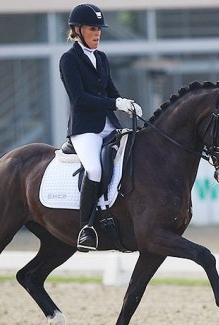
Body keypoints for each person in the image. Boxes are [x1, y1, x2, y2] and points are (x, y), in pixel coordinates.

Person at [60, 3, 143, 252]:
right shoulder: (69, 60)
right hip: (85, 129)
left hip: (110, 125)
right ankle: (86, 227)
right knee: (94, 169)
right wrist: (114, 102)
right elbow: (79, 98)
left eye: (99, 29)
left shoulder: (102, 58)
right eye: (92, 28)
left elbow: (111, 91)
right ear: (77, 30)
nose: (97, 34)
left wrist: (126, 103)